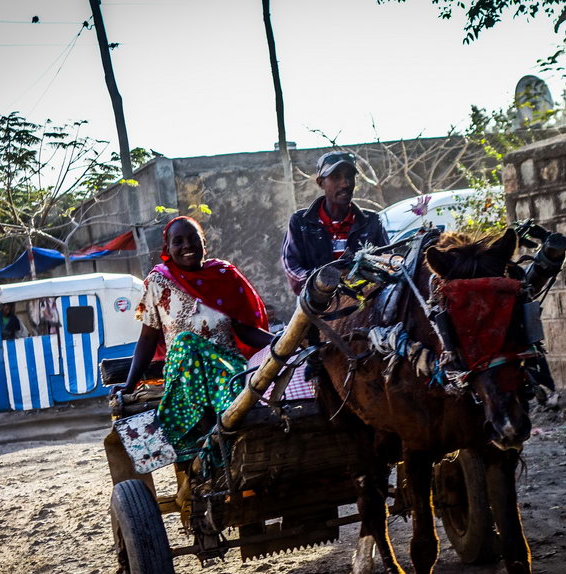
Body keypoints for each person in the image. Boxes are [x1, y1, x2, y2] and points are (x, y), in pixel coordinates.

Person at [106, 215, 273, 491]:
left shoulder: (225, 276)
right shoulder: (158, 282)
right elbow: (147, 339)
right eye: (178, 241)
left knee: (234, 378)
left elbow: (245, 331)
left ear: (204, 243)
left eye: (193, 238)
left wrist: (281, 342)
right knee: (185, 342)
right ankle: (211, 432)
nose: (187, 246)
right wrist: (130, 382)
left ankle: (228, 430)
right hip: (183, 375)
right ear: (168, 248)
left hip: (226, 370)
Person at [281, 151, 389, 294]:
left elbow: (387, 261)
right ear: (321, 183)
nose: (345, 183)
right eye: (336, 177)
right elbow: (291, 266)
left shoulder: (372, 221)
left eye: (350, 176)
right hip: (316, 303)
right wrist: (319, 281)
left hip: (365, 301)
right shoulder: (301, 222)